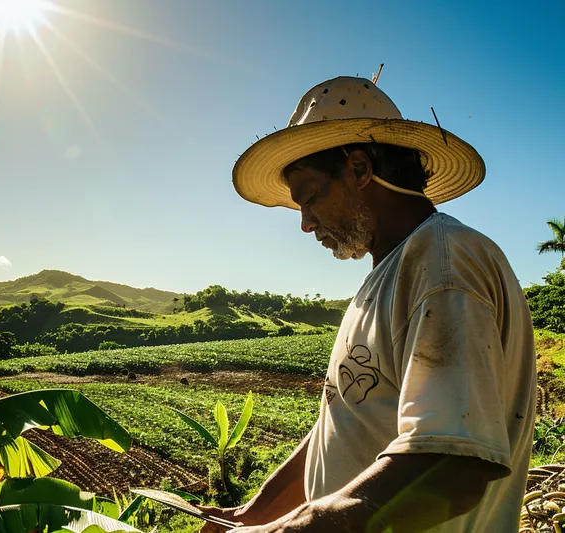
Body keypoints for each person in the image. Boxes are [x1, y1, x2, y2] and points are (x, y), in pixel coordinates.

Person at [198, 76, 537, 532]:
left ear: (358, 169)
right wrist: (256, 513)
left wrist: (302, 524)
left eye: (312, 197)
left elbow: (454, 465)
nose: (305, 223)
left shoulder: (442, 262)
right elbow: (342, 422)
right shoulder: (391, 273)